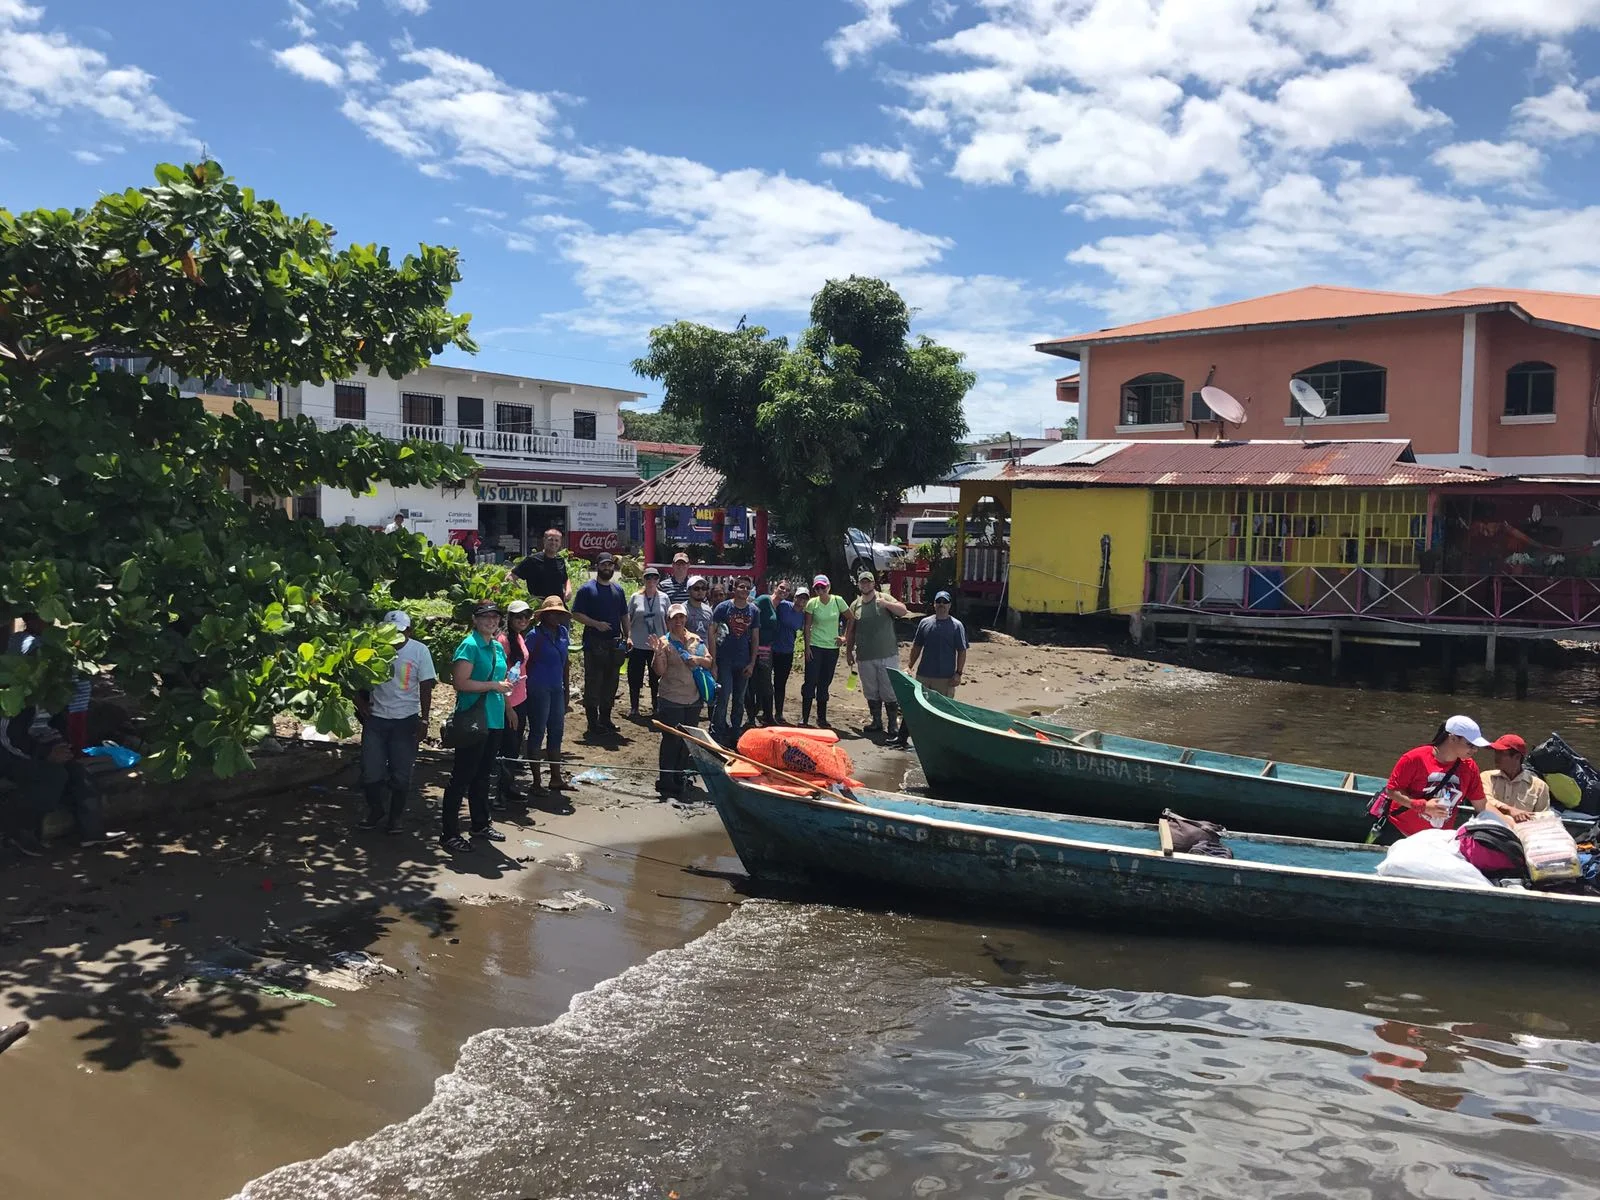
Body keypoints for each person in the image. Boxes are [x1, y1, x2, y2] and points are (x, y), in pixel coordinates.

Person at [0, 701, 125, 855]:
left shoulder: (54, 694)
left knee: (79, 774)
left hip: (39, 749)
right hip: (11, 755)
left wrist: (61, 747)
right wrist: (45, 754)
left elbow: (53, 726)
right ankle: (17, 828)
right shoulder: (19, 696)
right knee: (54, 777)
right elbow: (9, 738)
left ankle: (92, 833)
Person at [354, 610, 436, 833]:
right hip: (376, 719)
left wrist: (425, 720)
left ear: (409, 631)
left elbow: (426, 685)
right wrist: (360, 704)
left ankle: (395, 818)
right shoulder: (372, 649)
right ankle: (376, 810)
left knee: (401, 774)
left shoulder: (419, 651)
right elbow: (354, 677)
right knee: (371, 771)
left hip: (405, 720)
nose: (395, 638)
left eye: (400, 632)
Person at [440, 603, 513, 852]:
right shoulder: (469, 645)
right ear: (475, 619)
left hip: (494, 718)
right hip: (473, 720)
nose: (491, 621)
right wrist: (493, 685)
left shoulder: (496, 646)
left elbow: (500, 682)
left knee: (483, 775)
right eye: (485, 617)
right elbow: (460, 682)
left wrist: (507, 702)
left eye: (495, 617)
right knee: (462, 776)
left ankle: (480, 823)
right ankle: (449, 833)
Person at [1373, 715, 1491, 844]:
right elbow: (1392, 790)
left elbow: (1481, 805)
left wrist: (1507, 823)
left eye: (1476, 746)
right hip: (1400, 833)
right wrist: (1422, 806)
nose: (1475, 750)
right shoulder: (1414, 758)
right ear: (1452, 738)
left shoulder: (1470, 767)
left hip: (1438, 841)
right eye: (1470, 744)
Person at [652, 602, 713, 800]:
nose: (678, 621)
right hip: (671, 698)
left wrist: (697, 660)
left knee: (686, 742)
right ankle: (666, 779)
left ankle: (680, 776)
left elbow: (709, 661)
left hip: (693, 699)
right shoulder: (664, 642)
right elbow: (659, 671)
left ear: (685, 618)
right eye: (674, 618)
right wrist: (658, 653)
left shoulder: (695, 639)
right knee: (671, 740)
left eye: (681, 617)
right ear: (668, 621)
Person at [892, 591, 968, 748]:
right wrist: (909, 666)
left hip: (946, 678)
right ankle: (901, 738)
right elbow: (917, 646)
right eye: (938, 601)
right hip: (924, 675)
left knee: (943, 711)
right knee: (913, 706)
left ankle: (941, 744)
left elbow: (962, 651)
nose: (941, 604)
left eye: (944, 602)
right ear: (934, 604)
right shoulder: (925, 623)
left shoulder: (957, 626)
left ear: (949, 605)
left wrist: (958, 673)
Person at [845, 571, 910, 740]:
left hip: (887, 654)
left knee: (889, 690)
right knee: (871, 691)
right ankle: (876, 721)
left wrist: (887, 605)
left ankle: (892, 725)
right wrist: (848, 652)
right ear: (859, 585)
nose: (865, 585)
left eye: (868, 582)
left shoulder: (884, 598)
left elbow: (903, 611)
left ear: (874, 584)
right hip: (864, 656)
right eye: (862, 583)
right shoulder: (855, 605)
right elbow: (850, 631)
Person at [572, 552, 630, 736]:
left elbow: (624, 615)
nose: (607, 568)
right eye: (604, 565)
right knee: (593, 684)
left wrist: (628, 636)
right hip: (594, 644)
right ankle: (592, 723)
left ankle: (605, 719)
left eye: (610, 565)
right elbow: (576, 614)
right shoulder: (587, 589)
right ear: (597, 566)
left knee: (611, 683)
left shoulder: (618, 590)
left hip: (614, 644)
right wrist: (596, 624)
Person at [523, 595, 573, 796]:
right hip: (538, 688)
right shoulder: (534, 635)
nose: (555, 616)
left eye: (559, 613)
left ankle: (556, 778)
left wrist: (566, 689)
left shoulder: (562, 632)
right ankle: (536, 782)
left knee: (557, 731)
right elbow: (525, 661)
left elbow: (565, 662)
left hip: (556, 688)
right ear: (543, 615)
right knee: (537, 732)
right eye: (551, 613)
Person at [494, 599, 532, 807]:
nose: (523, 620)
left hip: (521, 698)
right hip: (507, 702)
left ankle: (508, 788)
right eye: (518, 616)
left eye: (526, 616)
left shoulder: (518, 637)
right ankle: (499, 794)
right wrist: (509, 708)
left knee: (514, 746)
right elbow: (501, 675)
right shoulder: (502, 641)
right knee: (506, 747)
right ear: (509, 618)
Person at [711, 577, 760, 743]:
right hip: (724, 659)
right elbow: (712, 633)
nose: (744, 590)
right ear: (735, 588)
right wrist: (713, 661)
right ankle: (717, 731)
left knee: (739, 699)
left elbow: (755, 637)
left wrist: (752, 662)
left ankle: (735, 730)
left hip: (744, 660)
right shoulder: (723, 607)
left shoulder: (754, 610)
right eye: (741, 587)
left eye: (747, 587)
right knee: (723, 697)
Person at [801, 574, 851, 728]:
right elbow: (807, 627)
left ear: (828, 587)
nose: (820, 590)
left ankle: (821, 718)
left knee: (825, 682)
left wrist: (845, 637)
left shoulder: (837, 600)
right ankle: (805, 718)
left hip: (832, 647)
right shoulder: (812, 603)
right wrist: (807, 647)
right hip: (815, 646)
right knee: (810, 681)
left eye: (823, 587)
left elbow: (851, 618)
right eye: (817, 587)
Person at [1479, 733, 1551, 822]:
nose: (1496, 757)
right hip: (1491, 827)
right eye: (1496, 753)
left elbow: (1543, 818)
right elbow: (1484, 801)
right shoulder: (1486, 777)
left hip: (1522, 831)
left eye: (1501, 753)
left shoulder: (1540, 786)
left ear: (1517, 757)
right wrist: (1511, 810)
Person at [627, 567, 668, 719]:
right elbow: (627, 619)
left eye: (654, 578)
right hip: (638, 643)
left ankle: (656, 706)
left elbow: (668, 620)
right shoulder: (635, 597)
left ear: (658, 580)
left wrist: (667, 640)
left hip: (657, 645)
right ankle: (634, 707)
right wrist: (628, 636)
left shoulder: (664, 598)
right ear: (643, 580)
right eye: (648, 578)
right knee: (634, 676)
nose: (651, 581)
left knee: (656, 677)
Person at [745, 580, 781, 728]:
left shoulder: (781, 606)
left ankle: (767, 715)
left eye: (787, 590)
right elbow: (750, 611)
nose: (784, 591)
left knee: (766, 683)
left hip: (766, 649)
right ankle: (750, 717)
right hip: (752, 646)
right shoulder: (764, 599)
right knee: (751, 683)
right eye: (781, 588)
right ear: (775, 588)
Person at [512, 528, 572, 604]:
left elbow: (565, 578)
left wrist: (568, 589)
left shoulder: (560, 560)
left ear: (560, 543)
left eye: (556, 540)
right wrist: (525, 596)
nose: (553, 543)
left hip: (558, 607)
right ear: (544, 540)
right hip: (539, 608)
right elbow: (510, 578)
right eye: (550, 540)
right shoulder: (532, 560)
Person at [774, 584, 806, 724]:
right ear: (795, 597)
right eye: (799, 597)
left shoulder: (803, 616)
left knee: (781, 683)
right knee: (764, 682)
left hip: (787, 651)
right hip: (772, 648)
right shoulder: (783, 605)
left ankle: (779, 713)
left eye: (805, 598)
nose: (801, 600)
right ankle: (761, 710)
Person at [684, 575, 717, 655]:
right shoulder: (683, 609)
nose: (700, 591)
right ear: (688, 590)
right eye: (696, 588)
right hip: (687, 656)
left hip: (705, 656)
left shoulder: (708, 610)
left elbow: (711, 638)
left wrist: (713, 661)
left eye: (703, 588)